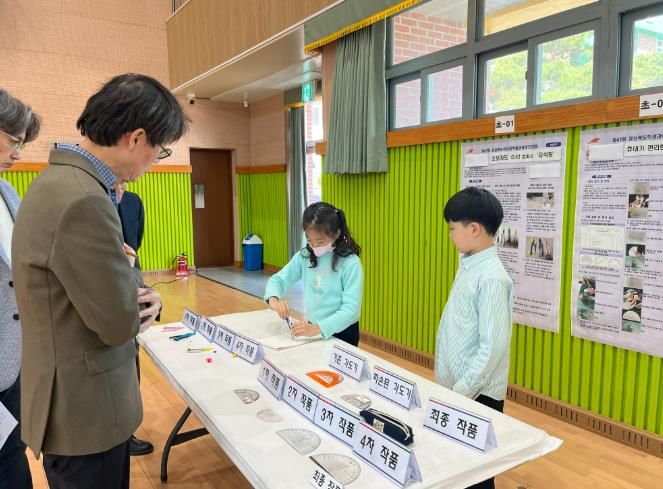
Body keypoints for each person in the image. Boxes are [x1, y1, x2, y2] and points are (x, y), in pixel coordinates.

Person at [11, 74, 188, 489]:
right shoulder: (85, 199)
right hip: (86, 411)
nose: (153, 163)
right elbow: (119, 323)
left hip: (70, 399)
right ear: (136, 138)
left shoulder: (58, 181)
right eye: (160, 150)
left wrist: (125, 276)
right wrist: (135, 283)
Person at [435, 187, 513, 489]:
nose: (450, 235)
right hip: (458, 388)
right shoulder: (470, 263)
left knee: (477, 474)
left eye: (452, 228)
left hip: (477, 394)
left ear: (474, 229)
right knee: (458, 464)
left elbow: (492, 347)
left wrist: (462, 390)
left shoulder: (491, 277)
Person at [0, 89, 40, 489]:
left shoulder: (7, 192)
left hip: (14, 358)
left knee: (12, 451)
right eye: (14, 140)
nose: (18, 153)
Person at [265, 202, 363, 346]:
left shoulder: (350, 263)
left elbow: (351, 311)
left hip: (343, 331)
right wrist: (274, 300)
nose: (314, 247)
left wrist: (318, 328)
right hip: (313, 328)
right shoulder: (305, 256)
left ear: (337, 234)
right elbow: (278, 280)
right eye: (309, 240)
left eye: (320, 242)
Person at [115, 181, 153, 457]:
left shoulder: (133, 201)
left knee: (132, 356)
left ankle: (126, 432)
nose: (121, 185)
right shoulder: (91, 199)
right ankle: (118, 434)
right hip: (107, 283)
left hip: (131, 275)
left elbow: (135, 241)